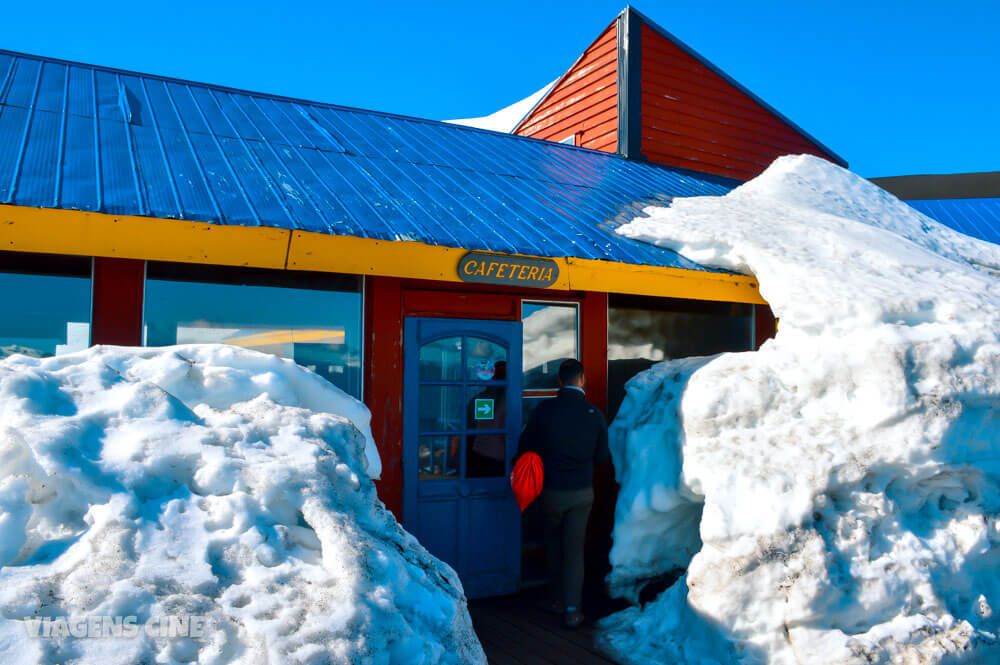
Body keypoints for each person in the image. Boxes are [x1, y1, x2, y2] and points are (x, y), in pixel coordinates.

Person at [516, 358, 610, 628]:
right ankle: (573, 609)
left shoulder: (545, 411)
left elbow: (526, 447)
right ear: (582, 380)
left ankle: (556, 599)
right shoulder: (595, 414)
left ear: (559, 380)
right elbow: (602, 458)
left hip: (552, 491)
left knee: (554, 545)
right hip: (582, 492)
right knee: (574, 550)